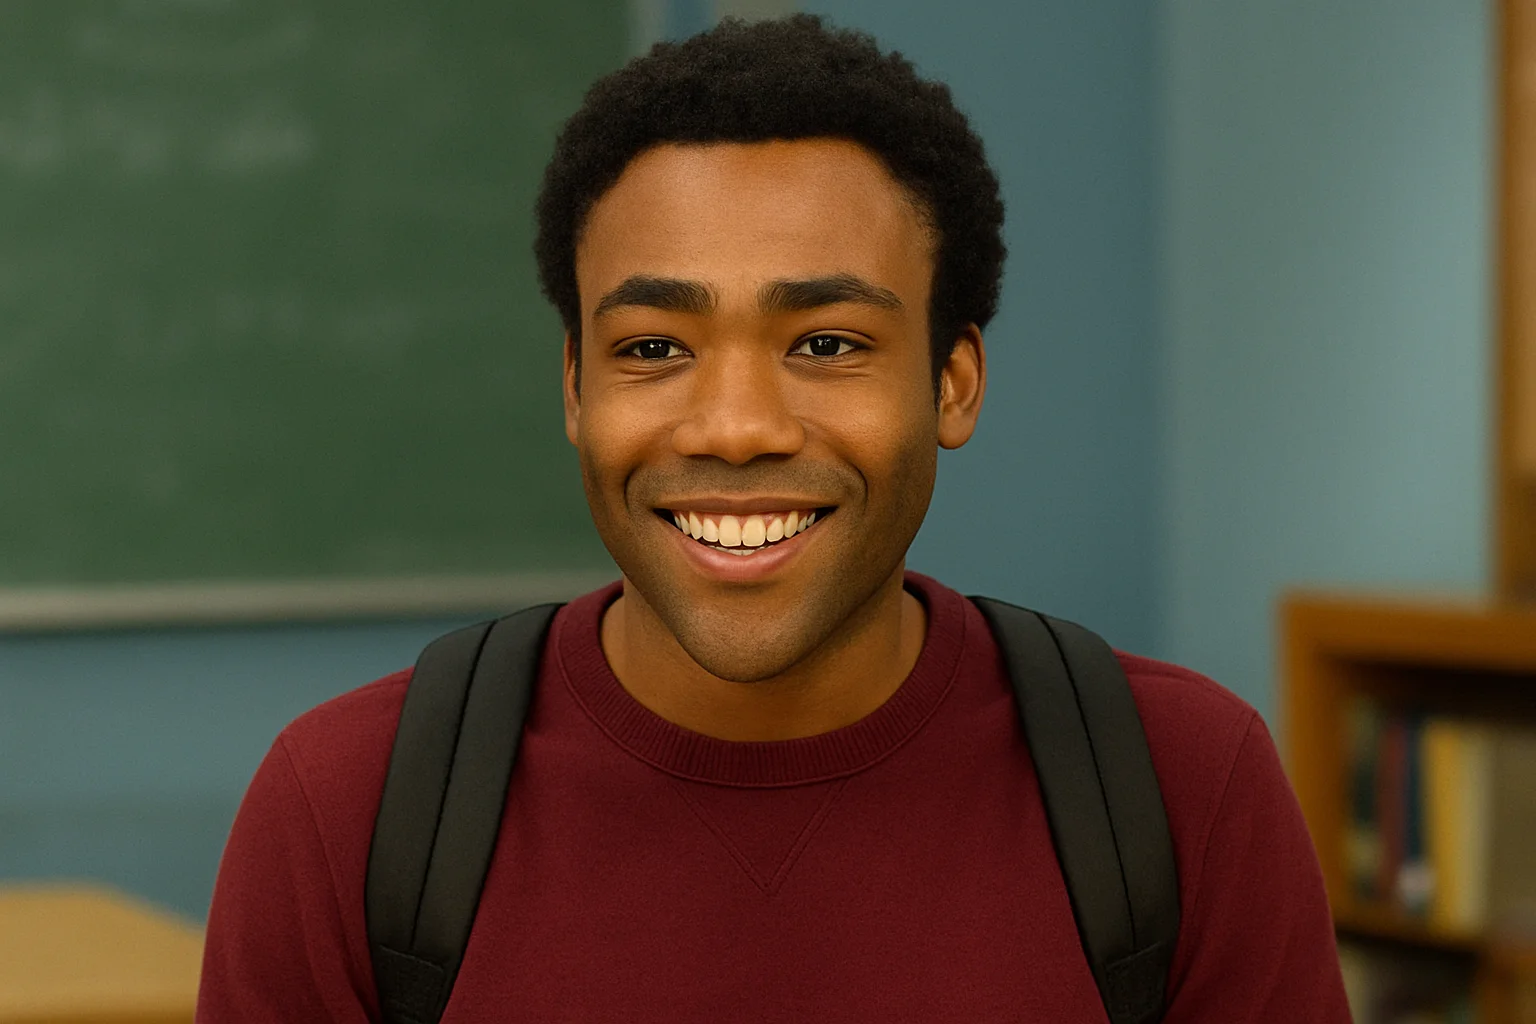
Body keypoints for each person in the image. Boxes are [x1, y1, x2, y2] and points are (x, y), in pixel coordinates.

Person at [196, 14, 1351, 1022]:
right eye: (653, 348)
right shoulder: (350, 808)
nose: (736, 427)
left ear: (952, 383)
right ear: (574, 388)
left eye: (828, 343)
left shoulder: (1180, 788)